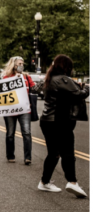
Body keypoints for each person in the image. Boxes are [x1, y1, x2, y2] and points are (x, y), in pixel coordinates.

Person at [37, 55, 89, 197]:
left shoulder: (49, 79)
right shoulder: (63, 79)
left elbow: (38, 90)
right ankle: (72, 182)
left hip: (47, 121)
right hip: (60, 121)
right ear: (66, 67)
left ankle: (44, 182)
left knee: (53, 154)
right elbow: (78, 94)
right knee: (68, 153)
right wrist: (87, 89)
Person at [2, 56, 35, 165]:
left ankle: (27, 157)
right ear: (14, 65)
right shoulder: (6, 77)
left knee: (26, 132)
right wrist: (14, 78)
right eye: (19, 64)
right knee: (10, 133)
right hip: (10, 110)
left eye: (22, 64)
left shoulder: (26, 76)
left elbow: (34, 87)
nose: (21, 66)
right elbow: (3, 89)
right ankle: (10, 155)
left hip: (24, 109)